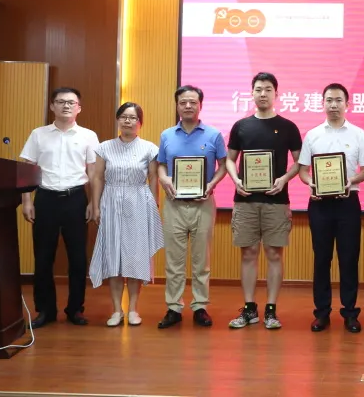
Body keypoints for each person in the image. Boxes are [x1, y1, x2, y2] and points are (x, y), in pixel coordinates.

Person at [225, 72, 303, 330]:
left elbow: (299, 162)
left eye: (268, 89)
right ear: (252, 93)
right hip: (245, 200)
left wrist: (284, 179)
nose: (262, 94)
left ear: (276, 94)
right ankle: (249, 308)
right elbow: (230, 159)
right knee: (248, 254)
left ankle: (271, 310)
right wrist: (236, 179)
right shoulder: (241, 126)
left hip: (276, 201)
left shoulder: (288, 126)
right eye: (258, 89)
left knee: (274, 254)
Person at [19, 87, 99, 327]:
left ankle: (75, 309)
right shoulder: (38, 134)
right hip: (46, 199)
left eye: (71, 102)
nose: (66, 106)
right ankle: (45, 310)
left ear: (79, 108)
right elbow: (27, 169)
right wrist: (27, 201)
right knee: (43, 257)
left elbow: (94, 174)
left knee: (78, 258)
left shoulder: (88, 136)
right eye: (61, 102)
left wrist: (94, 203)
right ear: (52, 106)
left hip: (76, 199)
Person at [298, 82, 364, 333]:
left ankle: (350, 313)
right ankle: (322, 313)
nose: (333, 105)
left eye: (338, 100)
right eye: (329, 100)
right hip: (319, 204)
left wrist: (351, 180)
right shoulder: (313, 134)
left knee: (349, 258)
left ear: (347, 104)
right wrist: (312, 184)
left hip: (348, 202)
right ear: (323, 104)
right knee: (322, 259)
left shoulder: (358, 134)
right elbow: (303, 171)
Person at [156, 85, 227, 329]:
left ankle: (200, 307)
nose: (188, 106)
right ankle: (173, 308)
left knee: (201, 260)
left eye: (193, 102)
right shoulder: (167, 135)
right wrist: (163, 179)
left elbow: (223, 165)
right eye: (183, 102)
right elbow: (161, 165)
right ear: (177, 105)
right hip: (174, 204)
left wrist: (211, 184)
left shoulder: (213, 135)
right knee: (173, 261)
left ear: (200, 105)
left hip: (203, 204)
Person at [88, 102, 163, 327]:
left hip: (138, 202)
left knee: (135, 257)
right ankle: (116, 310)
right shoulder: (104, 147)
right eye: (123, 117)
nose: (128, 121)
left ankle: (133, 309)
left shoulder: (149, 148)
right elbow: (98, 177)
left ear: (140, 122)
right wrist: (96, 206)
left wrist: (154, 206)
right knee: (113, 257)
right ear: (118, 120)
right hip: (111, 202)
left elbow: (153, 178)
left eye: (132, 117)